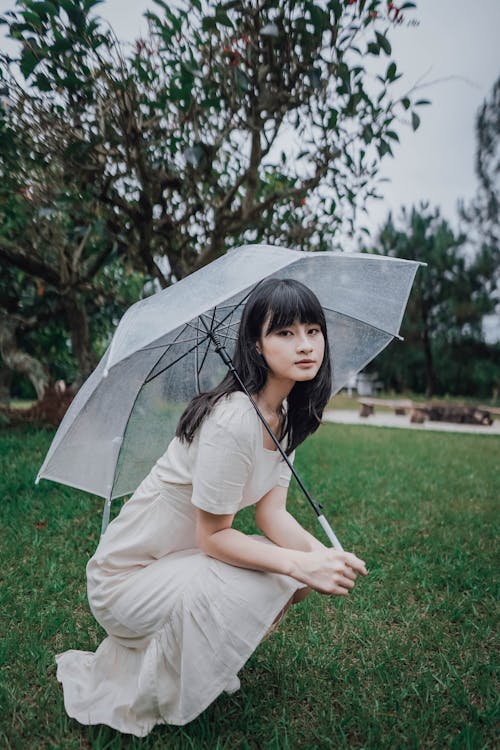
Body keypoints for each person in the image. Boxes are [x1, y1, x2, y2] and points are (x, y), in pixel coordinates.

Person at [56, 278, 368, 737]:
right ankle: (189, 668)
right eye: (284, 333)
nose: (305, 345)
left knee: (290, 577)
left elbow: (271, 515)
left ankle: (205, 660)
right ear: (257, 346)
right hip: (126, 579)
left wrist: (323, 557)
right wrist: (301, 564)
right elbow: (214, 536)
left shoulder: (282, 417)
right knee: (282, 574)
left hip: (178, 563)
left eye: (313, 330)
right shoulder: (232, 419)